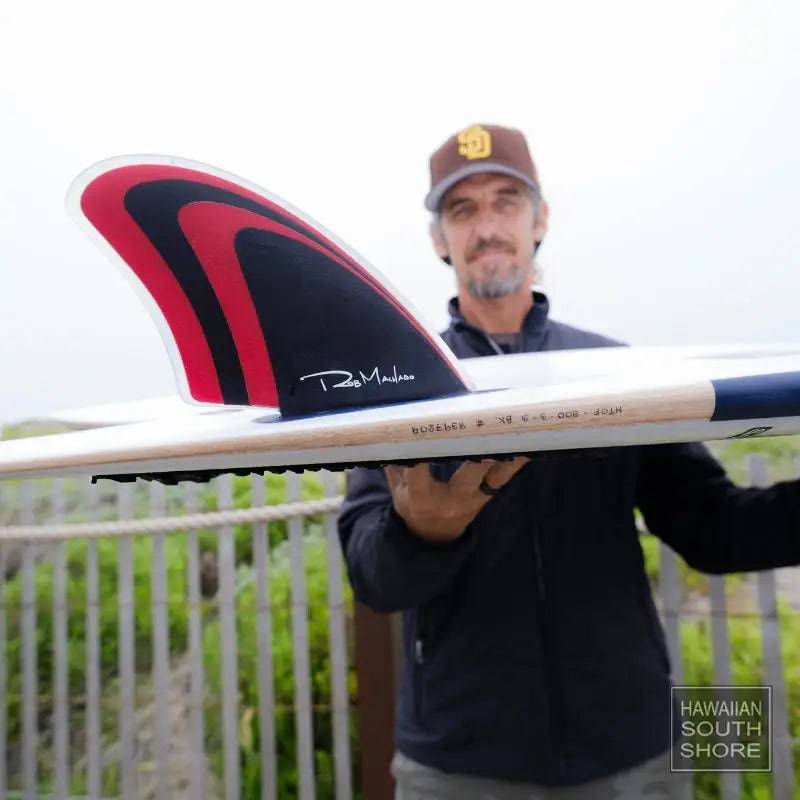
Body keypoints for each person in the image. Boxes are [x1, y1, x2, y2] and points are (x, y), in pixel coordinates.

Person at [337, 124, 800, 799]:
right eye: (463, 210)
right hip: (458, 765)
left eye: (506, 202)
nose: (487, 227)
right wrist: (421, 534)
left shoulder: (615, 373)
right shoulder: (402, 388)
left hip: (631, 753)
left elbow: (717, 528)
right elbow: (372, 575)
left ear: (540, 219)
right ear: (440, 239)